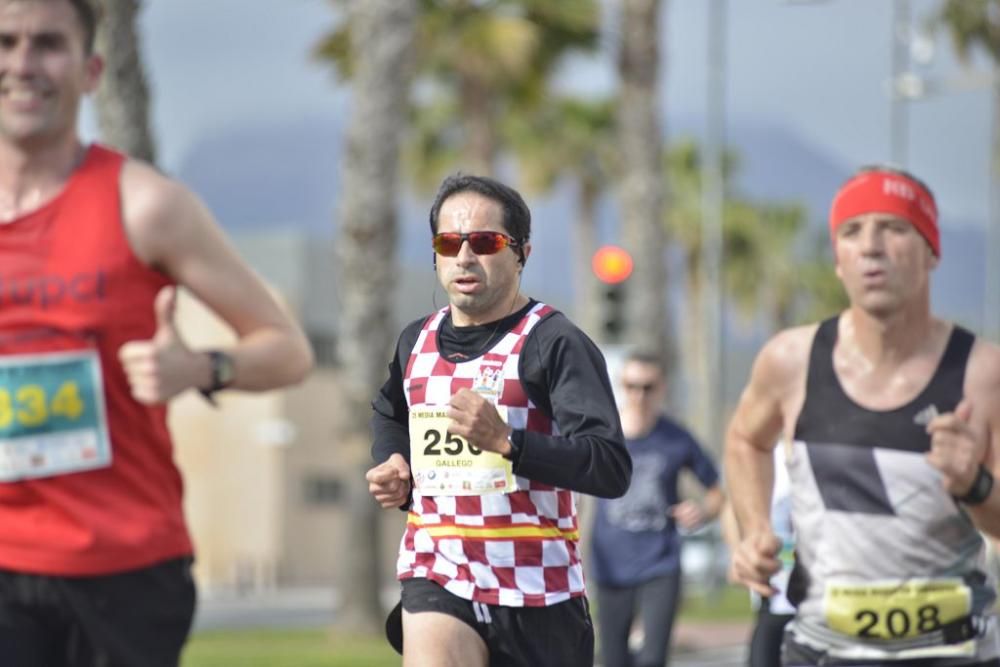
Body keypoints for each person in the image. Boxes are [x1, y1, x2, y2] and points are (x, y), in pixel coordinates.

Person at [0, 1, 314, 665]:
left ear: (91, 71)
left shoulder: (146, 205)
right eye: (6, 42)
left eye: (47, 44)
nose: (23, 64)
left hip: (124, 568)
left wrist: (198, 368)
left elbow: (287, 349)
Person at [725, 164, 1000, 666]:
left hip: (953, 650)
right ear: (839, 261)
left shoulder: (982, 373)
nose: (871, 246)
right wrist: (755, 528)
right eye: (852, 232)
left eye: (894, 228)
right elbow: (746, 439)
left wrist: (975, 484)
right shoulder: (791, 360)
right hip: (821, 649)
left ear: (931, 251)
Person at [366, 173, 632, 667]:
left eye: (485, 242)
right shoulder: (415, 342)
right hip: (439, 571)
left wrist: (508, 441)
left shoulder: (553, 343)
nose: (464, 257)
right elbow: (388, 411)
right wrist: (393, 461)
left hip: (539, 591)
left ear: (521, 253)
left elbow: (609, 465)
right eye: (449, 242)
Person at [589, 350, 723, 667]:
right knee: (613, 659)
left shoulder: (675, 438)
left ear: (662, 388)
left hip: (659, 563)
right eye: (632, 386)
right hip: (610, 565)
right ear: (622, 385)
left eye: (648, 387)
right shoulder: (602, 433)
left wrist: (701, 511)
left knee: (652, 659)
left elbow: (717, 491)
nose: (640, 395)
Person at [721, 445, 796, 667]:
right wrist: (736, 553)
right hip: (773, 597)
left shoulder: (830, 450)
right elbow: (731, 508)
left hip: (822, 601)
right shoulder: (764, 451)